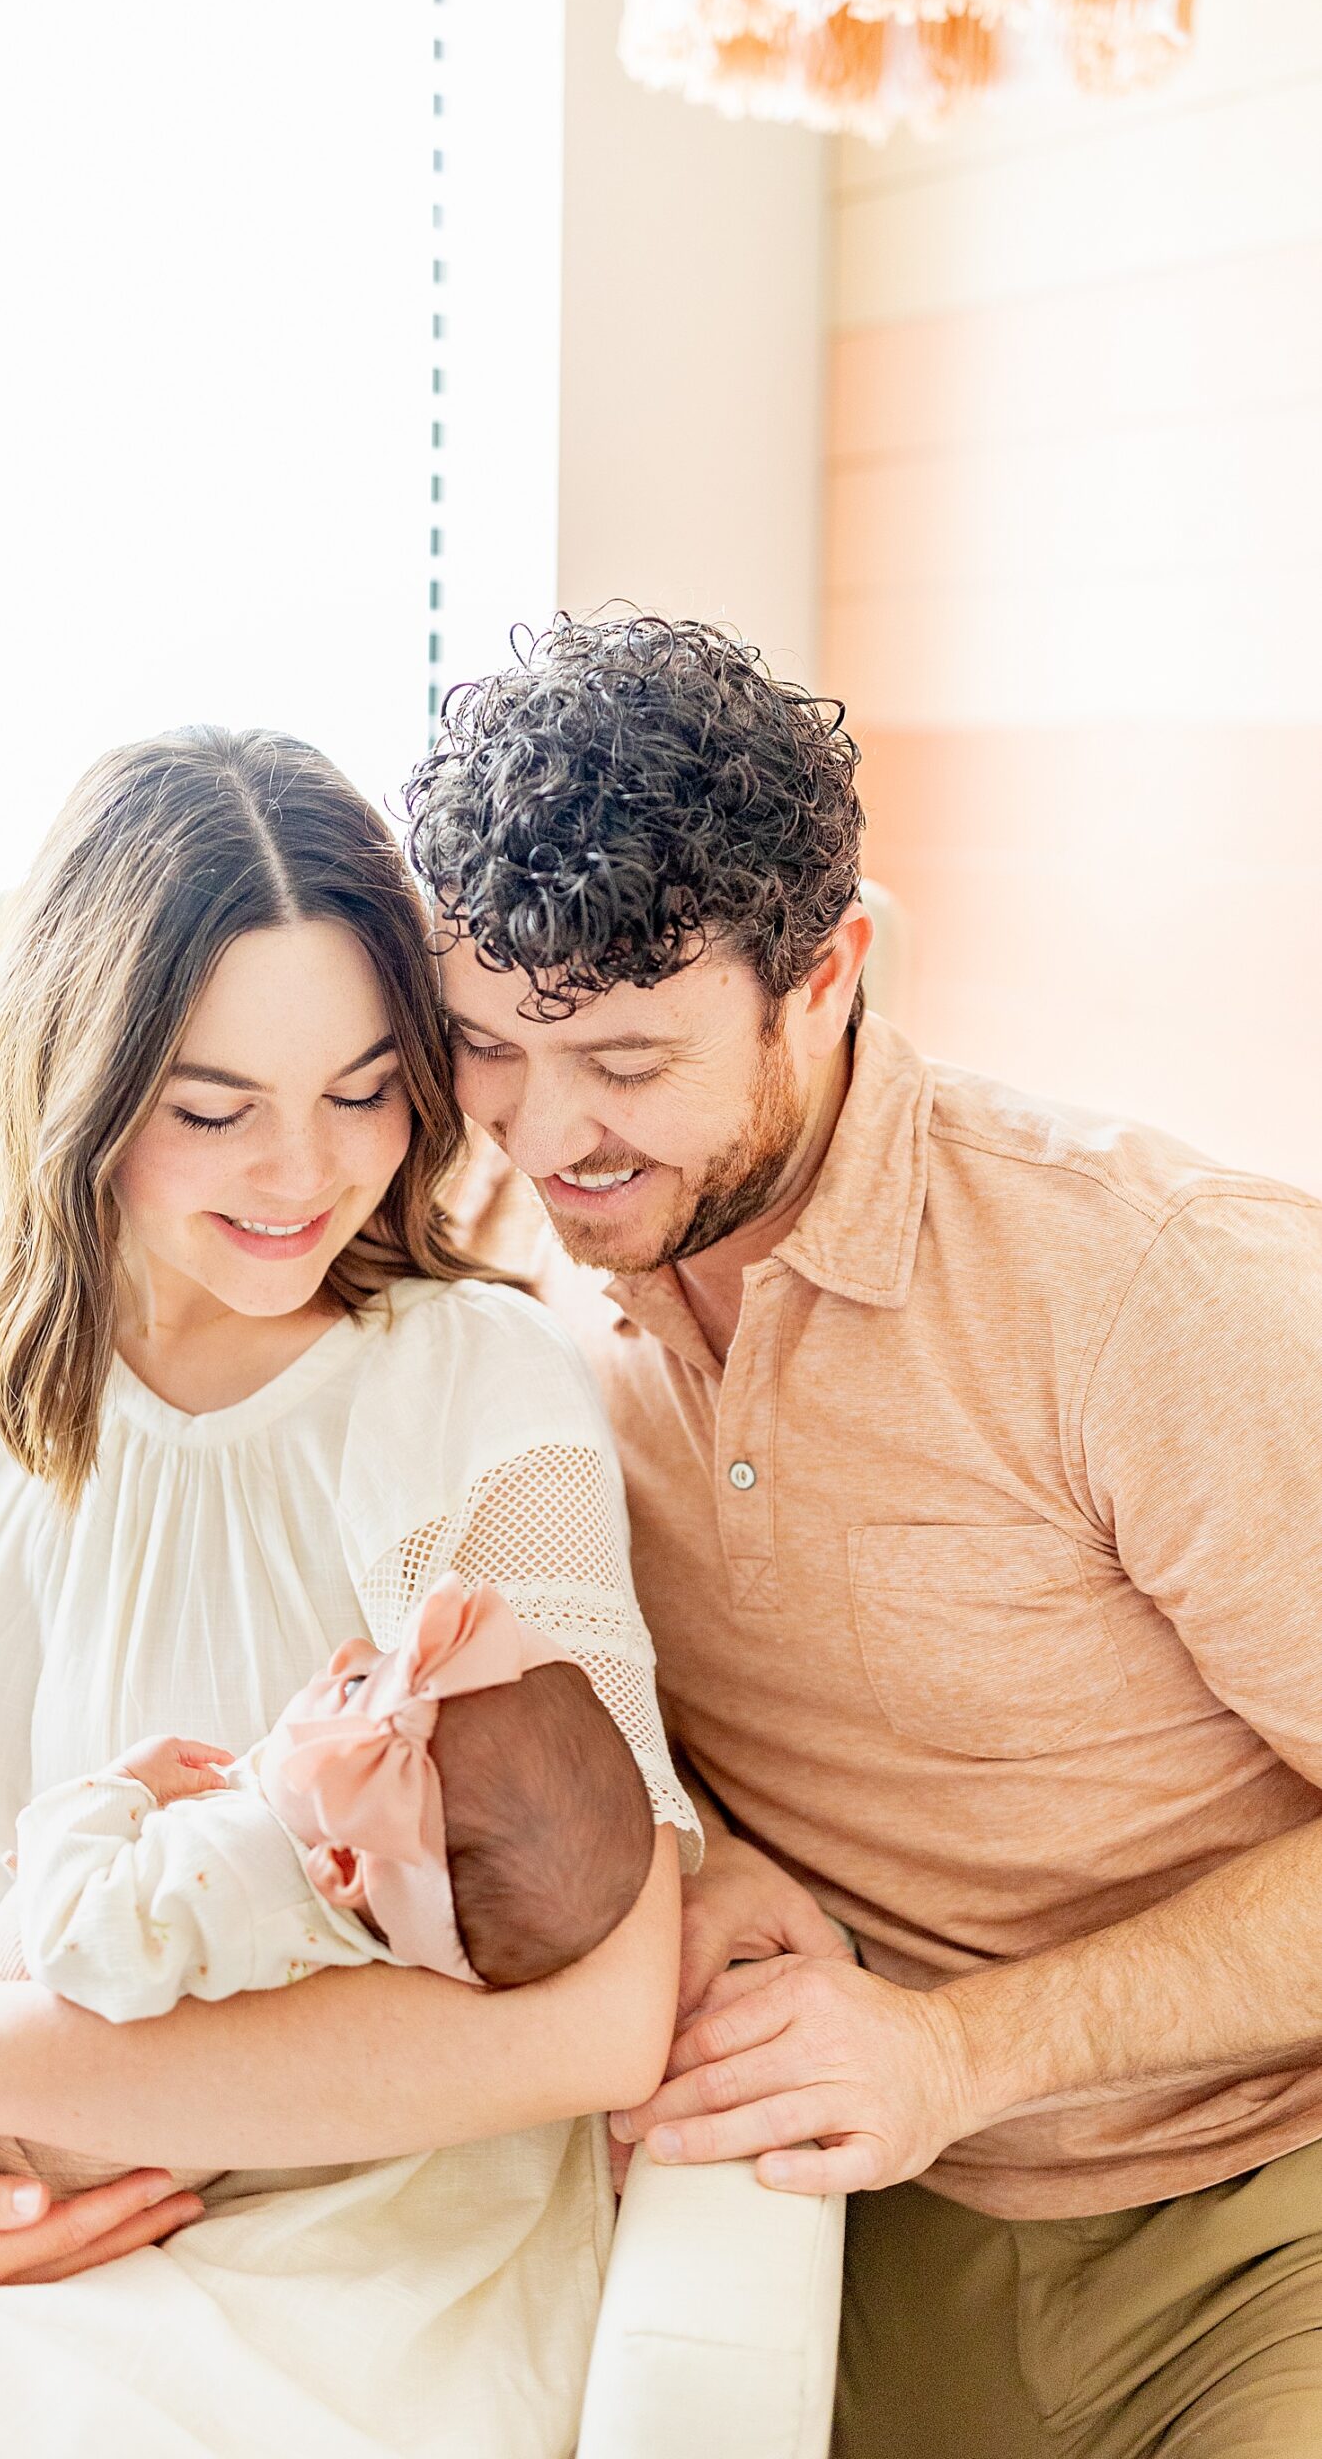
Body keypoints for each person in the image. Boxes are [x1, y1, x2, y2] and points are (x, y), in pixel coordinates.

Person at [0, 725, 695, 2459]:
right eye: (212, 1110)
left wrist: (14, 2062)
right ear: (87, 1085)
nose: (304, 1175)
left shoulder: (468, 1389)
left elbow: (600, 2002)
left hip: (328, 2236)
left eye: (362, 1090)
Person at [401, 612, 1322, 2459]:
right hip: (838, 2221)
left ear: (828, 976)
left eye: (632, 1062)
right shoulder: (514, 1280)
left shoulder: (1157, 1292)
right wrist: (696, 1844)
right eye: (490, 1047)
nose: (544, 1137)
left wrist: (960, 2053)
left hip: (1254, 2222)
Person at [0, 1572, 655, 2201]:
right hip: (119, 2135)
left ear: (342, 1866)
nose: (344, 1654)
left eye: (355, 1687)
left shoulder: (231, 1868)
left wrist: (111, 1795)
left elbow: (75, 1940)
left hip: (12, 2133)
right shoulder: (357, 1908)